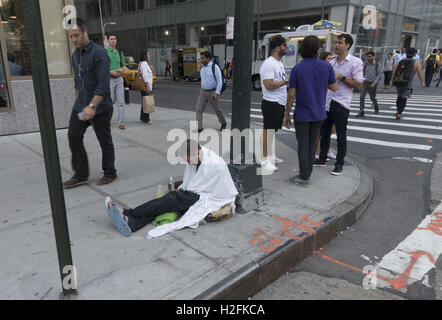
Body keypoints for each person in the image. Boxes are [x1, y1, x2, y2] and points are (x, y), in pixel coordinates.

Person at [104, 139, 238, 238]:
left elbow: (211, 189)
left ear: (197, 152)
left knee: (171, 199)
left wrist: (183, 192)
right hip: (197, 193)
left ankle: (130, 214)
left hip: (211, 198)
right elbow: (191, 182)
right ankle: (132, 223)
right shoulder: (195, 157)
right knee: (166, 203)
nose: (188, 163)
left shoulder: (214, 163)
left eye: (189, 160)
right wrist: (183, 190)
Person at [63, 18, 117, 188]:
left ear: (85, 32)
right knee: (73, 135)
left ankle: (110, 173)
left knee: (104, 140)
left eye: (76, 35)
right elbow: (78, 82)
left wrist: (92, 106)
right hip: (81, 105)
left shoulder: (99, 54)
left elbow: (102, 86)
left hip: (100, 107)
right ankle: (81, 175)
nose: (74, 40)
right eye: (71, 37)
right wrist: (79, 101)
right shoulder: (75, 55)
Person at [283, 36, 337, 187]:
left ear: (303, 49)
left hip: (302, 113)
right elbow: (334, 87)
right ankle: (308, 173)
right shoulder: (327, 67)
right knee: (313, 142)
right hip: (319, 112)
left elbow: (291, 94)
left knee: (303, 144)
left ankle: (304, 175)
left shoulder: (297, 69)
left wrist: (286, 114)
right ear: (317, 48)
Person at [314, 34, 364, 176]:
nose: (336, 45)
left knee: (341, 135)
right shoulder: (331, 63)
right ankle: (322, 158)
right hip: (327, 103)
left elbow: (359, 84)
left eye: (340, 43)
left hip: (341, 103)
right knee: (324, 133)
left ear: (348, 45)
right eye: (336, 42)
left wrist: (340, 77)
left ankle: (339, 164)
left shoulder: (355, 62)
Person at [259, 35, 288, 172]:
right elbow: (269, 85)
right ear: (277, 48)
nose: (286, 48)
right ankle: (264, 159)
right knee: (268, 131)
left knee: (273, 131)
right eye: (284, 46)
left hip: (279, 102)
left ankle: (270, 154)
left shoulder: (279, 63)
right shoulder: (269, 63)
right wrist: (286, 81)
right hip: (271, 102)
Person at [196, 51, 227, 133]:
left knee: (217, 110)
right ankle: (199, 127)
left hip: (212, 92)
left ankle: (223, 122)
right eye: (201, 58)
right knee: (198, 109)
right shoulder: (202, 67)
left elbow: (219, 81)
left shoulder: (214, 67)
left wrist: (217, 92)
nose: (201, 60)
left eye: (203, 58)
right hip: (203, 92)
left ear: (208, 58)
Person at [391, 47, 425, 120]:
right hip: (407, 83)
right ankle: (399, 113)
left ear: (406, 53)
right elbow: (420, 73)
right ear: (414, 54)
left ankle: (398, 110)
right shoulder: (416, 63)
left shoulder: (400, 61)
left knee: (399, 97)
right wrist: (422, 81)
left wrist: (392, 81)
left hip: (398, 82)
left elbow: (394, 71)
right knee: (404, 98)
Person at [316, 51, 336, 161]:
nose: (331, 60)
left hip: (333, 102)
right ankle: (318, 151)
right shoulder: (321, 71)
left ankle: (326, 150)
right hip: (324, 102)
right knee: (322, 130)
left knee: (331, 129)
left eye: (331, 58)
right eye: (329, 58)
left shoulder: (331, 69)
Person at [106, 34, 126, 130]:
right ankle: (106, 122)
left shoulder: (119, 52)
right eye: (111, 39)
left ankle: (121, 123)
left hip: (119, 80)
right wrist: (111, 72)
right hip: (109, 80)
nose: (113, 40)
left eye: (114, 39)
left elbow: (123, 66)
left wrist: (122, 70)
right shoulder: (105, 52)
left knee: (121, 102)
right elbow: (101, 67)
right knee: (109, 102)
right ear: (108, 41)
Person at [357, 51, 382, 117]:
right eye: (368, 57)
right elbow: (363, 73)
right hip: (365, 82)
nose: (369, 58)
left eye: (370, 56)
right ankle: (361, 111)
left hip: (372, 83)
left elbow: (379, 75)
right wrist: (361, 82)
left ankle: (376, 106)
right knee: (362, 97)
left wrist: (374, 83)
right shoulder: (365, 64)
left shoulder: (377, 64)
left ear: (373, 57)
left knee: (372, 97)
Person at [139, 49, 154, 125]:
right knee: (147, 102)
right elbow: (145, 76)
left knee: (144, 102)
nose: (149, 56)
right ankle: (147, 119)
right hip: (146, 86)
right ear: (145, 56)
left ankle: (142, 117)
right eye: (148, 54)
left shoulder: (142, 63)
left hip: (145, 86)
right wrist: (148, 86)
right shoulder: (144, 64)